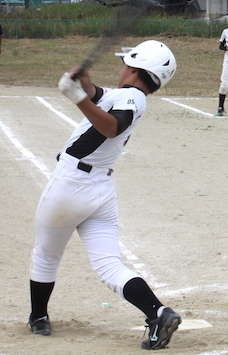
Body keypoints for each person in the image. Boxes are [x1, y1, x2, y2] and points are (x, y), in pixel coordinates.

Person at [28, 40, 182, 350]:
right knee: (110, 266)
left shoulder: (131, 99)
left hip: (70, 186)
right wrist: (85, 85)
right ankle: (157, 313)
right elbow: (103, 96)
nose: (122, 66)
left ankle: (38, 317)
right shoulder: (131, 96)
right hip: (100, 192)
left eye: (127, 63)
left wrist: (79, 99)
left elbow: (112, 126)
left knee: (45, 255)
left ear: (136, 70)